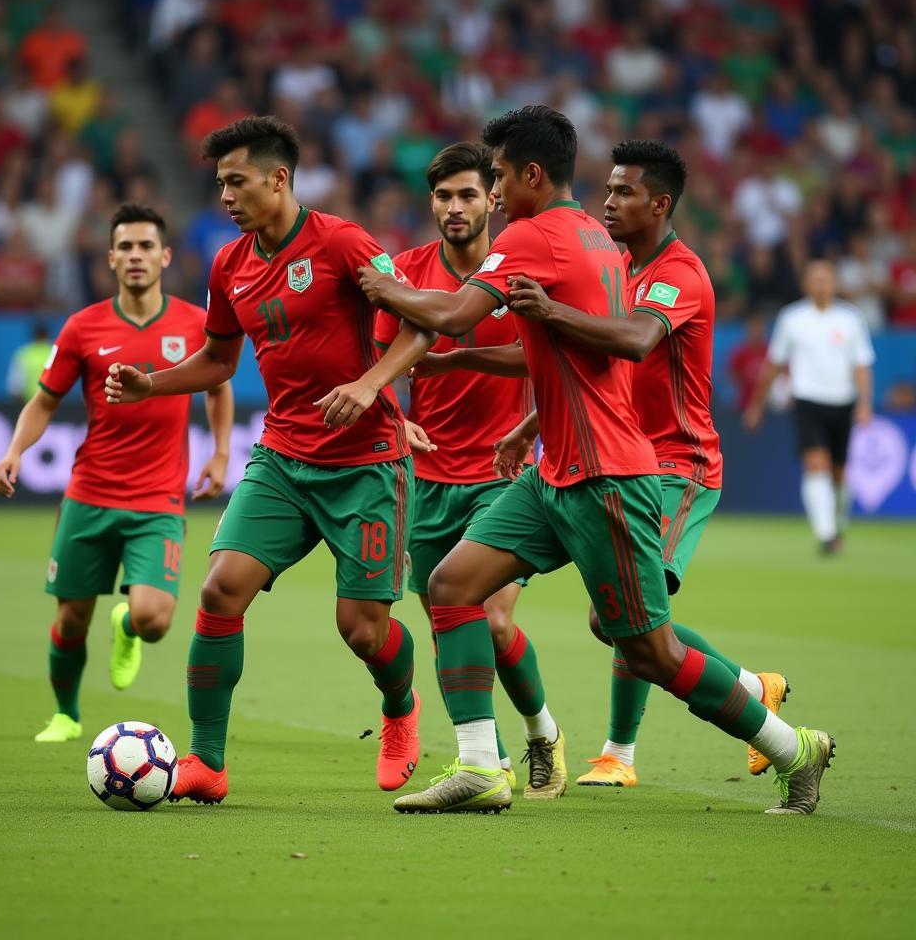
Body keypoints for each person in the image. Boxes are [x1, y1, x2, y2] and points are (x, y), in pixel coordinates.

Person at [357, 106, 834, 815]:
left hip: (609, 478)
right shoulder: (593, 240)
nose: (488, 193)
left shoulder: (535, 235)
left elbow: (456, 312)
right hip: (557, 472)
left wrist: (382, 283)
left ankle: (795, 747)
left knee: (652, 653)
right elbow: (542, 351)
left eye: (493, 178)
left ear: (530, 175)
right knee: (452, 585)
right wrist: (477, 374)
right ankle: (482, 767)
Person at [104, 115, 435, 805]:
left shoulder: (343, 243)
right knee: (221, 590)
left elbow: (420, 322)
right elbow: (221, 359)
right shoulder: (229, 264)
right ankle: (208, 762)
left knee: (361, 629)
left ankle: (401, 707)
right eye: (219, 182)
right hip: (285, 455)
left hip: (367, 461)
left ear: (278, 178)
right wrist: (151, 383)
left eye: (236, 180)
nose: (224, 195)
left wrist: (372, 383)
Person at [493, 139, 786, 785]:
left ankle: (622, 753)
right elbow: (594, 372)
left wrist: (549, 309)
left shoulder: (680, 274)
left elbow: (631, 341)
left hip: (678, 467)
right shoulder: (616, 270)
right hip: (618, 457)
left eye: (623, 192)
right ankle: (745, 687)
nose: (608, 201)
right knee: (621, 616)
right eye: (607, 188)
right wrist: (527, 426)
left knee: (618, 618)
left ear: (659, 203)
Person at [0, 203, 233, 743]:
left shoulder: (195, 323)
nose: (136, 256)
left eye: (146, 246)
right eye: (125, 247)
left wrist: (220, 454)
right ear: (110, 258)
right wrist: (13, 452)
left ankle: (125, 624)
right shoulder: (84, 326)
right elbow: (44, 402)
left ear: (166, 256)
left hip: (158, 499)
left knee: (154, 620)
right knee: (72, 618)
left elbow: (218, 386)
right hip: (90, 493)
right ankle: (66, 714)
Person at [373, 141, 566, 800]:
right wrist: (396, 419)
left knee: (493, 620)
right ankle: (495, 757)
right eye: (442, 196)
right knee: (451, 623)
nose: (453, 208)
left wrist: (457, 363)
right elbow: (377, 361)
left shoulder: (516, 267)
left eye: (466, 195)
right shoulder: (406, 271)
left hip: (500, 473)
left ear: (492, 196)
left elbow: (535, 357)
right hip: (426, 480)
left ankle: (541, 734)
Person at [744, 261, 874, 553]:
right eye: (815, 279)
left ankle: (837, 522)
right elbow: (774, 365)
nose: (821, 285)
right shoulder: (792, 318)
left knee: (839, 472)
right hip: (808, 400)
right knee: (816, 464)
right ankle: (826, 534)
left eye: (826, 279)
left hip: (843, 401)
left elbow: (862, 366)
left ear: (835, 284)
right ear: (806, 284)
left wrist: (865, 404)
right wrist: (756, 407)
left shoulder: (851, 319)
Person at [7, 323, 55, 401]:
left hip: (29, 402)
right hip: (51, 401)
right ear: (47, 335)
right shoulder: (53, 352)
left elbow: (15, 386)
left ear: (34, 336)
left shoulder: (24, 353)